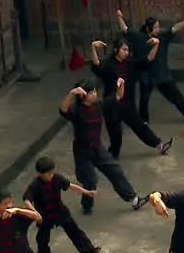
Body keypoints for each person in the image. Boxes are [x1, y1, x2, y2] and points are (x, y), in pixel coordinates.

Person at [59, 81, 144, 214]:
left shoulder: (99, 106)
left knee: (115, 170)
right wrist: (71, 93)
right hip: (82, 151)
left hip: (97, 147)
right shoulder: (77, 111)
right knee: (90, 180)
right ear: (83, 95)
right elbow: (63, 109)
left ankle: (133, 199)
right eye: (91, 92)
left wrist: (121, 84)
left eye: (95, 91)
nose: (95, 94)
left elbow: (118, 96)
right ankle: (87, 206)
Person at [89, 38, 173, 158]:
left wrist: (156, 45)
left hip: (128, 104)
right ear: (116, 50)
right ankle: (111, 156)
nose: (126, 52)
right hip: (112, 105)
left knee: (140, 127)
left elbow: (148, 59)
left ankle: (159, 145)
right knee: (116, 135)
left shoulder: (131, 64)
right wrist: (93, 48)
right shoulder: (108, 65)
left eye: (128, 50)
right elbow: (97, 66)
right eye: (124, 49)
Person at [118, 10, 184, 122]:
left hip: (161, 74)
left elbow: (175, 28)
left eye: (158, 27)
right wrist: (119, 17)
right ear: (149, 29)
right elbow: (125, 29)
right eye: (156, 27)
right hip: (146, 74)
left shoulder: (162, 37)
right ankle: (143, 120)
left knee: (175, 95)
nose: (158, 29)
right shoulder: (139, 38)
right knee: (144, 99)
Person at [23, 156, 102, 253]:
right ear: (40, 174)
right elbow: (27, 200)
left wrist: (86, 192)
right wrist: (35, 213)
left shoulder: (57, 178)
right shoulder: (35, 185)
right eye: (48, 173)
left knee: (74, 230)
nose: (51, 175)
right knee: (42, 238)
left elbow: (70, 185)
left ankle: (89, 250)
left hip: (60, 211)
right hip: (44, 215)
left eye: (52, 172)